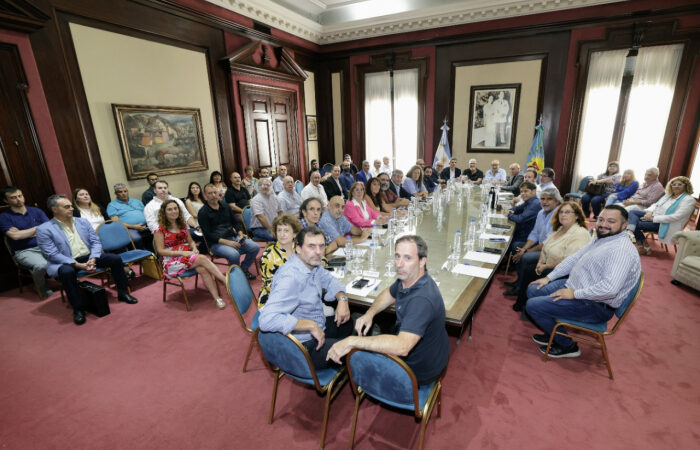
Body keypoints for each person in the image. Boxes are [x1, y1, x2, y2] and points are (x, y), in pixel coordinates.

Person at [327, 235, 449, 385]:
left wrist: (352, 342)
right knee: (365, 333)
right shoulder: (409, 278)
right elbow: (389, 293)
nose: (399, 264)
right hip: (421, 351)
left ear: (422, 261)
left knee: (354, 357)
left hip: (417, 369)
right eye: (397, 256)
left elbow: (402, 346)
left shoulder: (422, 300)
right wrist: (369, 314)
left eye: (407, 258)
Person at [525, 205, 641, 358]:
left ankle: (568, 346)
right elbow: (574, 258)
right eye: (601, 219)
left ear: (624, 225)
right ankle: (553, 331)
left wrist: (574, 294)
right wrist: (548, 278)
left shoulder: (620, 250)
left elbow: (610, 289)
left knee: (533, 306)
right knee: (534, 289)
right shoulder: (603, 238)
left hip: (596, 304)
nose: (603, 224)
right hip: (578, 286)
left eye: (611, 221)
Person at [258, 226, 352, 369]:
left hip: (319, 325)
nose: (318, 252)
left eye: (321, 246)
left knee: (352, 323)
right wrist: (310, 325)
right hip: (303, 347)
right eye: (311, 246)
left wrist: (342, 299)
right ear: (298, 248)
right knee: (356, 353)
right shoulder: (290, 278)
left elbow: (330, 280)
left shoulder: (311, 265)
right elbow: (266, 319)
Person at [37, 195, 138, 325]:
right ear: (54, 209)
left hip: (88, 256)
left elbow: (95, 241)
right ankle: (78, 308)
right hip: (66, 260)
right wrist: (78, 265)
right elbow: (52, 254)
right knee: (67, 273)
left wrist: (93, 258)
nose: (71, 208)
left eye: (71, 206)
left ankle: (123, 292)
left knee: (115, 259)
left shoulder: (82, 222)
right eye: (67, 207)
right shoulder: (44, 229)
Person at [512, 201, 591, 311]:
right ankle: (522, 302)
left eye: (568, 212)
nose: (563, 215)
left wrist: (545, 266)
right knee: (530, 268)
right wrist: (540, 263)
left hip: (565, 272)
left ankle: (526, 305)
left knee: (530, 270)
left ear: (577, 216)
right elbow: (545, 248)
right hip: (549, 264)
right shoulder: (559, 229)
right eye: (561, 212)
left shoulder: (580, 234)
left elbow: (569, 260)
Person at [154, 199, 228, 309]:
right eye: (170, 209)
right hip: (171, 261)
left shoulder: (182, 224)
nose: (174, 211)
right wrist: (182, 252)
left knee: (203, 268)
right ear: (164, 212)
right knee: (202, 258)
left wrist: (194, 248)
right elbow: (160, 251)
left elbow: (191, 241)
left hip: (187, 255)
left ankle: (217, 298)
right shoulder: (160, 230)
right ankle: (225, 281)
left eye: (175, 208)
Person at [504, 187, 562, 297]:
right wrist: (524, 248)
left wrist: (527, 251)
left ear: (557, 201)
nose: (545, 202)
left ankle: (521, 288)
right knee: (516, 246)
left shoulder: (558, 216)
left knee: (526, 257)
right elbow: (534, 233)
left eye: (549, 199)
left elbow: (547, 243)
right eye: (543, 199)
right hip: (540, 244)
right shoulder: (541, 212)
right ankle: (519, 281)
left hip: (550, 250)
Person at [198, 184, 260, 280]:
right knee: (234, 254)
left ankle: (243, 270)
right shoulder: (203, 212)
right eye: (210, 193)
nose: (213, 195)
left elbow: (235, 222)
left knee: (255, 247)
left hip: (233, 237)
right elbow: (208, 235)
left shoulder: (225, 206)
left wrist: (240, 234)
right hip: (216, 243)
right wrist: (228, 243)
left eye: (215, 192)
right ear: (205, 196)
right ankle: (236, 277)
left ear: (219, 193)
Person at [0, 186, 52, 298]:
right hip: (24, 250)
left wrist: (22, 233)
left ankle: (67, 282)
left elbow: (49, 228)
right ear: (6, 200)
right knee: (41, 265)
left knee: (67, 254)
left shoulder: (36, 211)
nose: (19, 199)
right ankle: (41, 287)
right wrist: (37, 229)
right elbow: (15, 236)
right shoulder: (4, 217)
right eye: (13, 198)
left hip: (44, 245)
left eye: (20, 196)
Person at [627, 176, 695, 255]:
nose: (676, 186)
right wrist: (649, 212)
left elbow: (677, 216)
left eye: (680, 184)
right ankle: (631, 232)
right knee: (632, 212)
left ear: (686, 186)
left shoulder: (689, 200)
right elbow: (656, 205)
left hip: (665, 224)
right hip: (654, 216)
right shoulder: (668, 195)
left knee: (635, 224)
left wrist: (653, 218)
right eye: (674, 184)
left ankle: (643, 246)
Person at [258, 214, 301, 307]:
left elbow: (318, 259)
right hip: (275, 299)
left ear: (294, 233)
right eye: (279, 230)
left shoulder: (300, 248)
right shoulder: (268, 255)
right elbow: (270, 285)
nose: (282, 234)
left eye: (286, 230)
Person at [107, 184, 149, 249]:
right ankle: (144, 256)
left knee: (158, 232)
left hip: (146, 225)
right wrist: (134, 226)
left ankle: (156, 254)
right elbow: (116, 222)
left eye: (125, 191)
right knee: (136, 238)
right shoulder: (112, 205)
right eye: (120, 192)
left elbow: (146, 213)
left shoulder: (136, 201)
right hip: (129, 228)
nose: (123, 193)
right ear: (115, 194)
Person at [506, 182, 542, 249]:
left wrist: (509, 214)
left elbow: (520, 219)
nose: (523, 194)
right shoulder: (529, 201)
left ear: (534, 191)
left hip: (528, 237)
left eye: (526, 191)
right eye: (521, 191)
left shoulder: (535, 204)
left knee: (507, 238)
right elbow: (516, 208)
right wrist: (511, 210)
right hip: (523, 232)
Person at [249, 178, 283, 242]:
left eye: (268, 185)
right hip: (260, 228)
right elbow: (260, 217)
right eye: (263, 185)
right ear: (259, 187)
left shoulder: (275, 198)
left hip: (274, 226)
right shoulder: (256, 200)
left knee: (289, 233)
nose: (266, 187)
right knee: (277, 237)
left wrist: (282, 224)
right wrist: (271, 229)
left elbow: (280, 212)